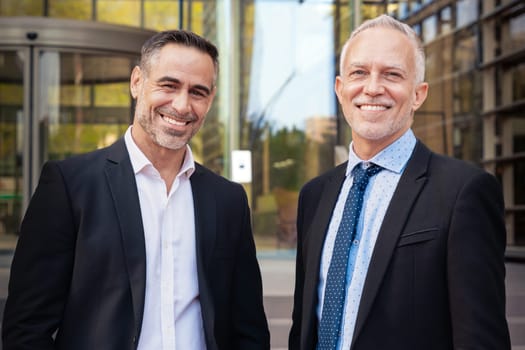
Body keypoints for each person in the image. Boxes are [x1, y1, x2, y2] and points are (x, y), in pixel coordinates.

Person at [2, 30, 270, 350]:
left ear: (210, 100)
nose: (182, 105)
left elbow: (249, 329)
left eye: (197, 92)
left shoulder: (228, 201)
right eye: (168, 85)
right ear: (136, 82)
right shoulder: (68, 185)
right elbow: (27, 328)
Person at [289, 14, 510, 350]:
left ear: (418, 94)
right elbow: (304, 326)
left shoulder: (464, 192)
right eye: (359, 73)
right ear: (340, 88)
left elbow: (480, 340)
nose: (373, 87)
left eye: (392, 74)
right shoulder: (315, 195)